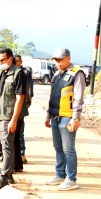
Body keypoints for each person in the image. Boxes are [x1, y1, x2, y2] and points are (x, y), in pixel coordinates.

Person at [45, 47, 84, 191]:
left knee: (68, 149)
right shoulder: (56, 74)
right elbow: (52, 96)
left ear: (69, 58)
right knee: (58, 147)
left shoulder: (76, 74)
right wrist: (48, 116)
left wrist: (75, 118)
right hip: (55, 116)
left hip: (67, 117)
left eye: (60, 60)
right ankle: (60, 174)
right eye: (56, 60)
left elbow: (78, 98)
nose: (58, 63)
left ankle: (71, 179)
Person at [0, 48, 28, 191]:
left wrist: (13, 120)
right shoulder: (3, 73)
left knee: (7, 146)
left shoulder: (18, 74)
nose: (0, 63)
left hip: (9, 116)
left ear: (10, 59)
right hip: (0, 115)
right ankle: (8, 173)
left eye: (2, 60)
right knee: (6, 145)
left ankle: (5, 177)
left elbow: (20, 99)